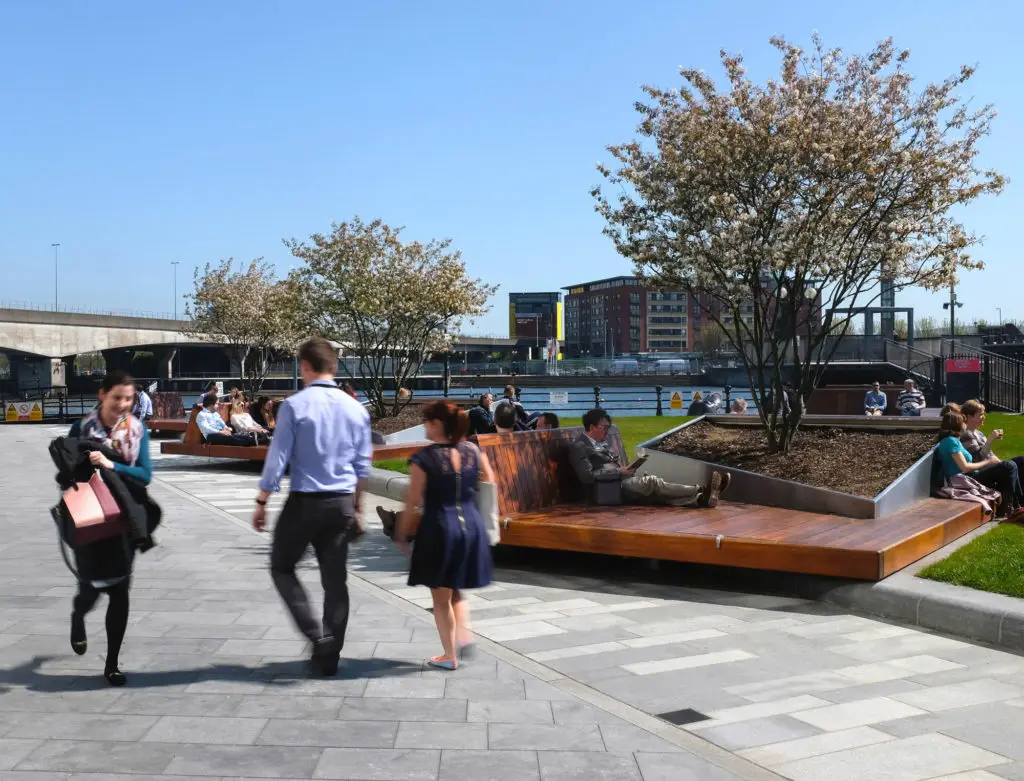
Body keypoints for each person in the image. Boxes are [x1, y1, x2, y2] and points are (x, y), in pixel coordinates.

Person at [252, 338, 373, 677]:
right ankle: (330, 655)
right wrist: (358, 509)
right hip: (342, 503)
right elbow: (363, 468)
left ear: (305, 366)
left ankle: (316, 635)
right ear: (333, 367)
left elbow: (277, 460)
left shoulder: (294, 405)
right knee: (336, 582)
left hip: (305, 502)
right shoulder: (356, 409)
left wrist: (262, 501)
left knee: (282, 566)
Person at [67, 371, 159, 686]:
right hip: (89, 516)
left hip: (123, 518)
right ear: (102, 395)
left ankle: (112, 664)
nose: (122, 404)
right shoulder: (81, 428)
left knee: (120, 590)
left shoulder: (137, 430)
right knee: (90, 588)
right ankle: (78, 617)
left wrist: (112, 465)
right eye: (116, 397)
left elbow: (145, 475)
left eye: (129, 398)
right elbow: (65, 471)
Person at [394, 400, 496, 670]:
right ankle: (464, 633)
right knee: (455, 586)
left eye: (427, 421)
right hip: (470, 527)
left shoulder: (424, 459)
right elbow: (489, 479)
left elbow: (412, 501)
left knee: (440, 598)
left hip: (440, 527)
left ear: (438, 424)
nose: (424, 426)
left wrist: (402, 533)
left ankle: (449, 655)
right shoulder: (472, 451)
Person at [570, 408, 729, 507]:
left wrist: (628, 470)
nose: (606, 432)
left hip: (617, 482)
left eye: (608, 429)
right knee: (652, 482)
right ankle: (702, 490)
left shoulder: (599, 444)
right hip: (604, 490)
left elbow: (608, 466)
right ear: (591, 427)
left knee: (656, 493)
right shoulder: (579, 447)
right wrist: (619, 472)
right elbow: (587, 476)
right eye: (604, 428)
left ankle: (701, 500)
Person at [935, 406, 1023, 520]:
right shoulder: (951, 442)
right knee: (1008, 466)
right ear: (958, 424)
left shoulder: (952, 441)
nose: (965, 424)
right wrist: (988, 461)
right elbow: (965, 467)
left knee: (1014, 463)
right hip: (964, 479)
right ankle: (1009, 508)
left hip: (969, 476)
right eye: (963, 422)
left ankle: (1017, 505)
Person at [961, 399, 1024, 509]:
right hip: (975, 474)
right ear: (969, 416)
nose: (983, 417)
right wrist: (990, 440)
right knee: (1009, 465)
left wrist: (1001, 463)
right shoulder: (966, 435)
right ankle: (1012, 506)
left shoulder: (978, 433)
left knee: (1021, 461)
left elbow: (990, 455)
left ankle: (1020, 502)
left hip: (987, 468)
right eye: (980, 415)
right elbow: (976, 460)